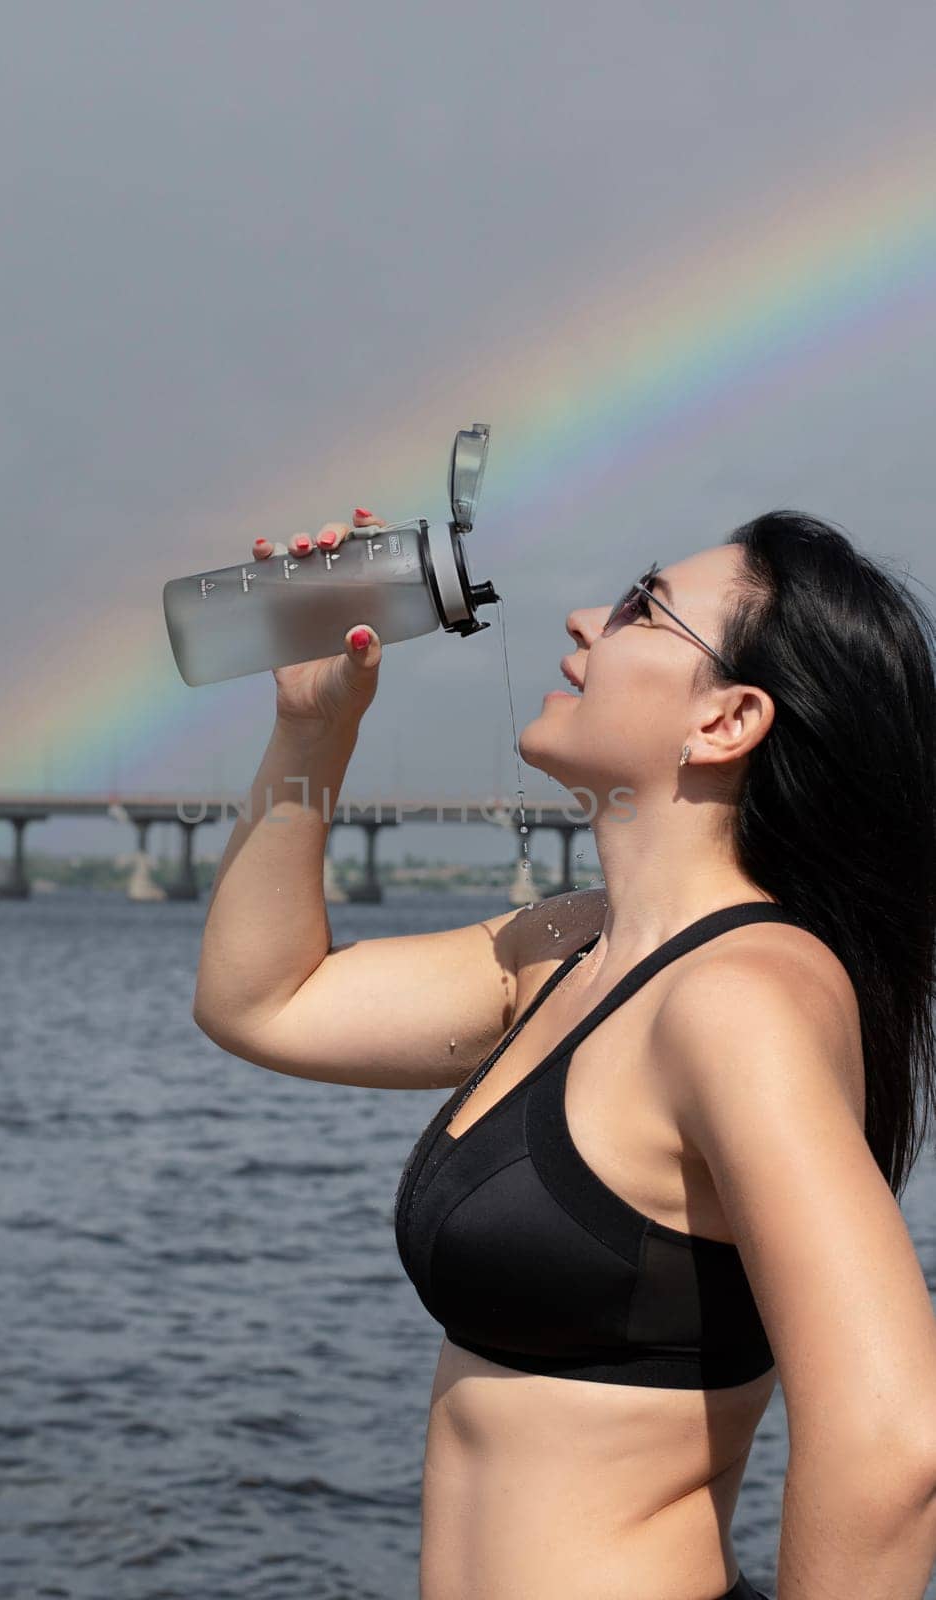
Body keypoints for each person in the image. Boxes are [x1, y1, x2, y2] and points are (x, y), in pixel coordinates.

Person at [193, 507, 936, 1599]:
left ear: (725, 719)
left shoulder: (738, 997)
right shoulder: (565, 948)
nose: (586, 619)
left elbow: (892, 1440)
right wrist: (314, 731)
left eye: (641, 606)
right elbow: (261, 1001)